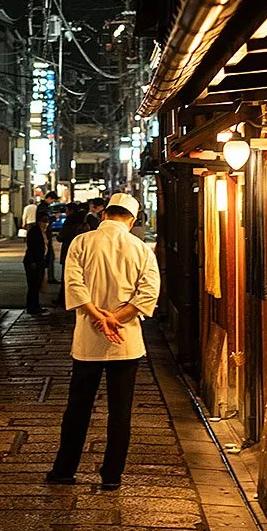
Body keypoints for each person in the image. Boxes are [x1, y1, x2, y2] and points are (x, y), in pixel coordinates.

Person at [45, 193, 161, 491]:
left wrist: (97, 316)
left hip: (88, 339)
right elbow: (149, 292)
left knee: (78, 408)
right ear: (132, 220)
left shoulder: (82, 243)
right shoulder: (141, 248)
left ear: (104, 214)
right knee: (120, 411)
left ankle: (64, 470)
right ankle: (112, 475)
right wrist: (116, 318)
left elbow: (74, 284)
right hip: (125, 340)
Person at [54, 206, 89, 309]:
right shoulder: (84, 220)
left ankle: (64, 299)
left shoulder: (69, 221)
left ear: (71, 210)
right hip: (83, 252)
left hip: (69, 250)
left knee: (67, 276)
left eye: (67, 210)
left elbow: (61, 236)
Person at [22, 209, 54, 314]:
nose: (46, 223)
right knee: (33, 285)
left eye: (47, 220)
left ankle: (36, 305)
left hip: (41, 260)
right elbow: (31, 247)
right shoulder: (34, 231)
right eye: (43, 220)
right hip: (33, 261)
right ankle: (32, 307)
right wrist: (33, 261)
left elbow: (47, 246)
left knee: (37, 284)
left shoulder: (45, 232)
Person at [42, 192, 61, 282]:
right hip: (45, 233)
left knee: (50, 256)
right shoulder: (43, 207)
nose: (52, 202)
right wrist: (54, 217)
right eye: (52, 200)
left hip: (45, 233)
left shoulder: (44, 207)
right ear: (49, 198)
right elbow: (43, 220)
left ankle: (49, 277)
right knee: (49, 256)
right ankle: (49, 277)